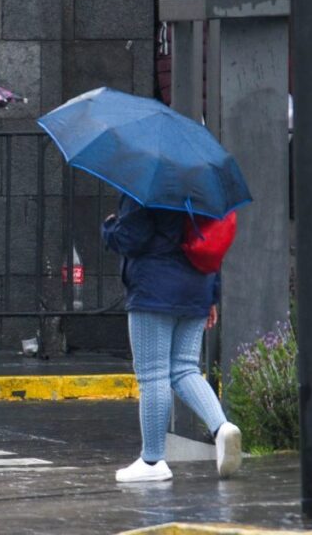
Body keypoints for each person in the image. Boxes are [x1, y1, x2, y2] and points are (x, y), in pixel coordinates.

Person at [101, 195, 241, 482]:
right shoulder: (202, 188)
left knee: (153, 375)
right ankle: (222, 428)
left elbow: (133, 238)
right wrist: (212, 296)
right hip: (198, 287)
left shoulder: (144, 186)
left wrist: (109, 228)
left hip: (155, 289)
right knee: (185, 369)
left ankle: (152, 462)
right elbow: (213, 243)